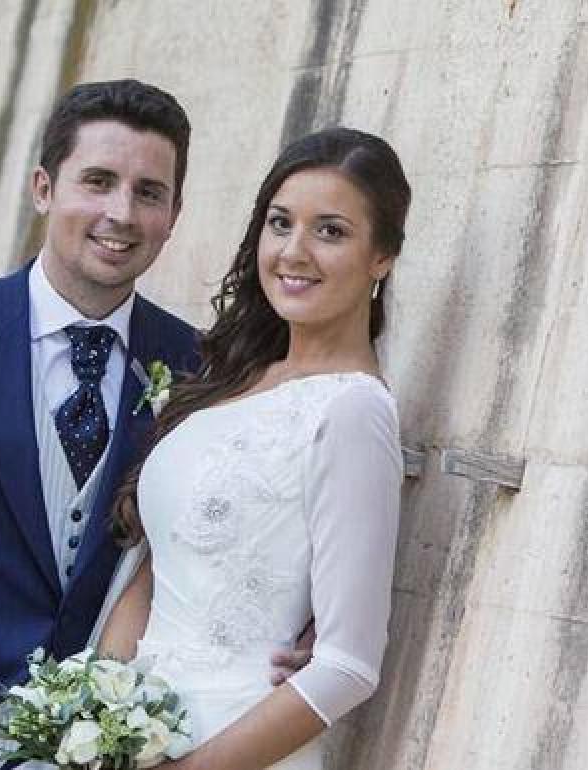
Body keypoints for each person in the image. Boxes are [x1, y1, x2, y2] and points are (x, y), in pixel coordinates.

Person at [0, 79, 307, 770]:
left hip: (96, 749)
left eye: (148, 192)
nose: (120, 213)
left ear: (173, 215)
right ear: (44, 188)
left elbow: (234, 534)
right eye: (98, 181)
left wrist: (301, 623)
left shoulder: (201, 369)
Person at [95, 127, 409, 769]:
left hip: (235, 744)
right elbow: (155, 570)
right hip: (131, 734)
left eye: (331, 231)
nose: (294, 251)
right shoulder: (232, 380)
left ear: (382, 256)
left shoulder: (352, 412)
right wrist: (95, 720)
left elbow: (348, 666)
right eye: (281, 223)